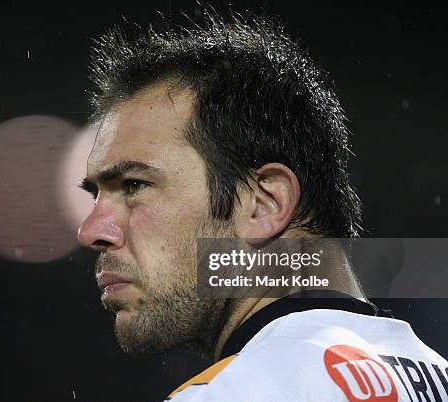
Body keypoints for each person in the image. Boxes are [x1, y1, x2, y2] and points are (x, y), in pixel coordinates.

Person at [76, 11, 448, 401]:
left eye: (134, 185)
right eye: (96, 194)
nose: (90, 230)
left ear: (264, 203)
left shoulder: (231, 393)